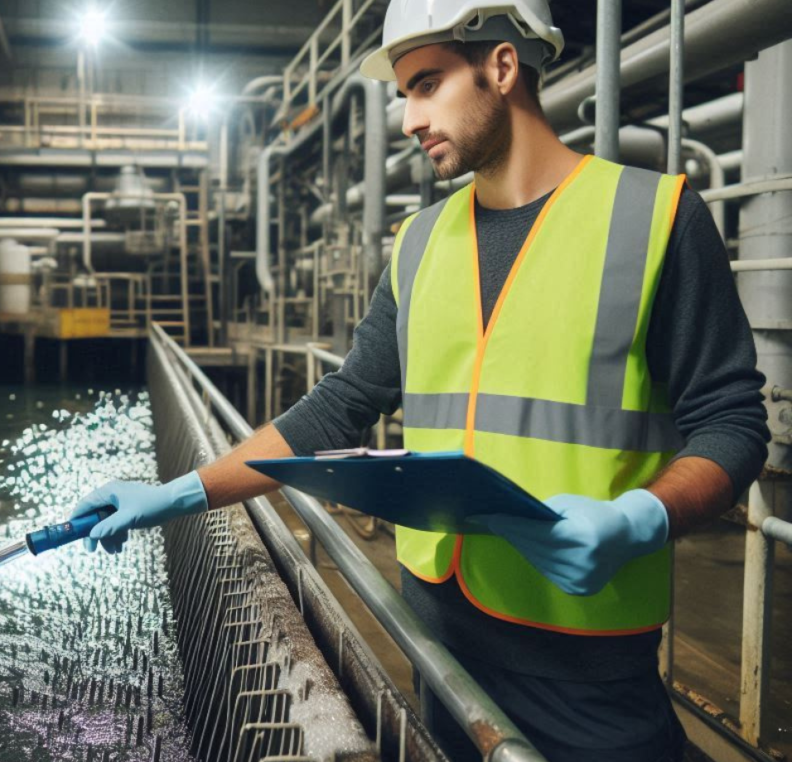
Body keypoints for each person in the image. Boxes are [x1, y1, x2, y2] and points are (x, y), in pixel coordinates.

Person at [72, 1, 770, 759]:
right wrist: (179, 494)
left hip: (585, 658)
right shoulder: (419, 243)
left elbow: (732, 424)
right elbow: (342, 406)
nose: (407, 120)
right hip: (435, 639)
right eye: (404, 93)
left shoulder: (656, 217)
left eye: (427, 84)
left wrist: (641, 517)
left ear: (502, 67)